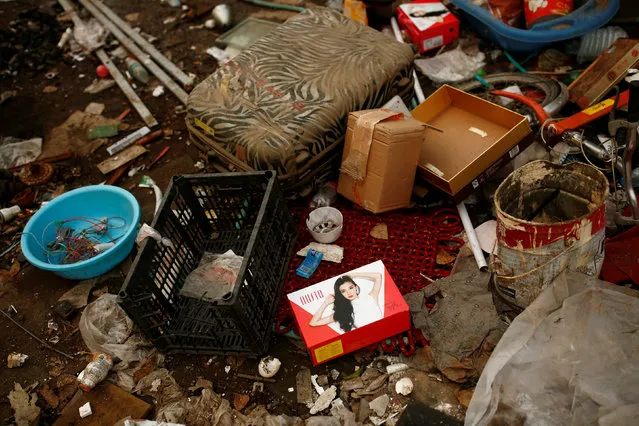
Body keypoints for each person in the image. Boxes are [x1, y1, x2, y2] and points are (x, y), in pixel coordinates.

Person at [309, 272, 383, 332]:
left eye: (350, 288)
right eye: (343, 291)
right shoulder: (343, 311)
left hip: (385, 329)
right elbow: (313, 323)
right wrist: (325, 303)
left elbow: (378, 276)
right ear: (341, 294)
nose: (348, 293)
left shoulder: (371, 297)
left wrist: (353, 275)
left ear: (356, 287)